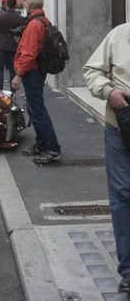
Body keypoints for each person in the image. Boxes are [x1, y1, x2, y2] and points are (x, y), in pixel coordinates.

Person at [83, 21, 130, 293]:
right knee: (123, 193)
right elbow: (91, 71)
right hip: (120, 124)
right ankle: (128, 269)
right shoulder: (119, 35)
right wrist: (109, 91)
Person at [11, 0, 62, 163]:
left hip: (31, 72)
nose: (24, 7)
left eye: (25, 5)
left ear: (29, 6)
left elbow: (29, 53)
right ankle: (41, 144)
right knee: (34, 109)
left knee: (38, 111)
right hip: (37, 70)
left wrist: (18, 76)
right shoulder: (43, 21)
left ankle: (52, 148)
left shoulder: (34, 24)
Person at [0, 0, 25, 90]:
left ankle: (0, 89)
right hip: (13, 46)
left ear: (6, 4)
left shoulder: (0, 17)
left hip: (1, 45)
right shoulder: (20, 18)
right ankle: (12, 91)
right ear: (15, 5)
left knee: (0, 69)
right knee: (12, 70)